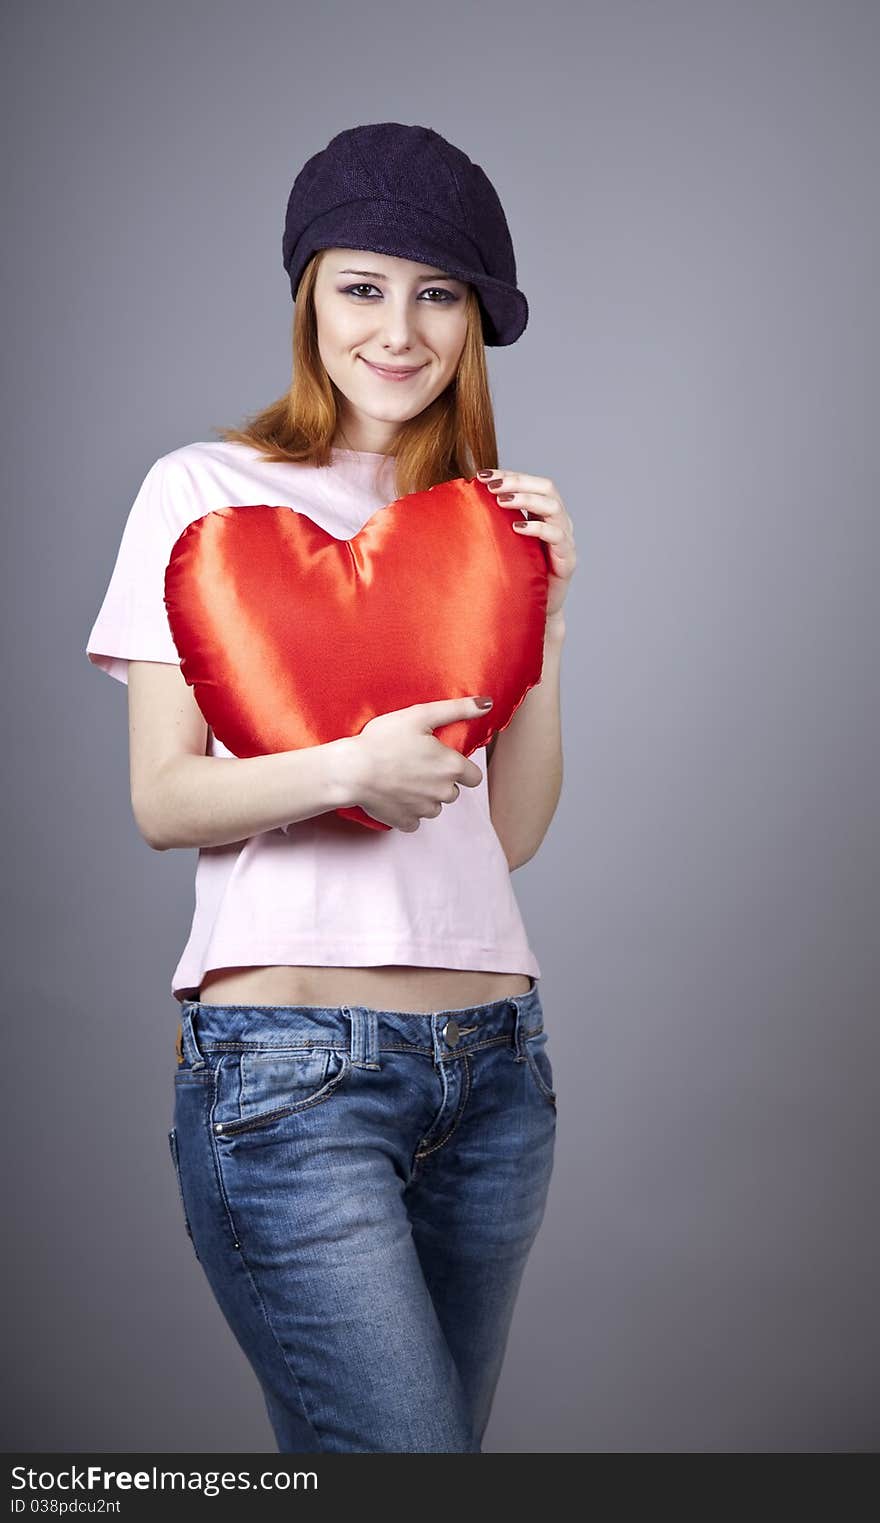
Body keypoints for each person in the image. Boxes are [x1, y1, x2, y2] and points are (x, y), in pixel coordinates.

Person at [85, 121, 577, 1453]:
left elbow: (509, 835)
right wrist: (349, 770)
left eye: (439, 292)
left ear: (476, 319)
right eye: (364, 286)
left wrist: (547, 610)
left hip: (497, 1075)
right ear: (308, 295)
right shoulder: (200, 494)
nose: (399, 329)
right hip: (292, 1075)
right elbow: (164, 802)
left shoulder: (488, 518)